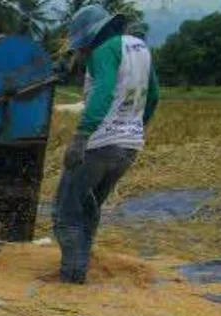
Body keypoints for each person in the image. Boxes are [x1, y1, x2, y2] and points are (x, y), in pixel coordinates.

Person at [54, 4, 159, 284]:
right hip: (129, 147)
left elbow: (103, 91)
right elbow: (154, 96)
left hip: (99, 144)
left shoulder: (104, 51)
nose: (82, 53)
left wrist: (81, 136)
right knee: (90, 207)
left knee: (67, 210)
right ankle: (83, 264)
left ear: (90, 37)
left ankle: (72, 276)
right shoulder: (140, 48)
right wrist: (134, 127)